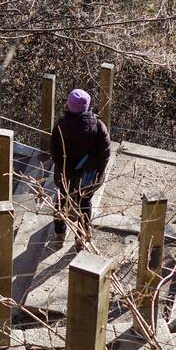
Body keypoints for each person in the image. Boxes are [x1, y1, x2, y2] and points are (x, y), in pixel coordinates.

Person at [49, 88, 111, 244]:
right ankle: (82, 236)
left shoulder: (60, 126)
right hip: (88, 176)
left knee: (61, 200)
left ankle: (59, 232)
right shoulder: (98, 127)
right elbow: (104, 154)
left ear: (69, 105)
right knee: (85, 203)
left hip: (65, 175)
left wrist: (66, 168)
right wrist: (98, 174)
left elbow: (55, 153)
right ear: (88, 105)